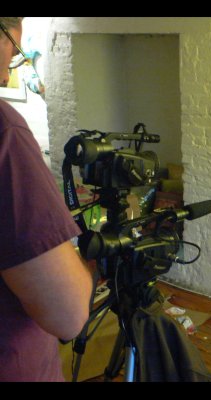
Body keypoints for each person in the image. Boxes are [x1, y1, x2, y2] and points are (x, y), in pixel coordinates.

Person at [0, 17, 94, 382]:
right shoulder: (6, 132)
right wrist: (89, 268)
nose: (5, 75)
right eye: (13, 51)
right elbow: (67, 315)